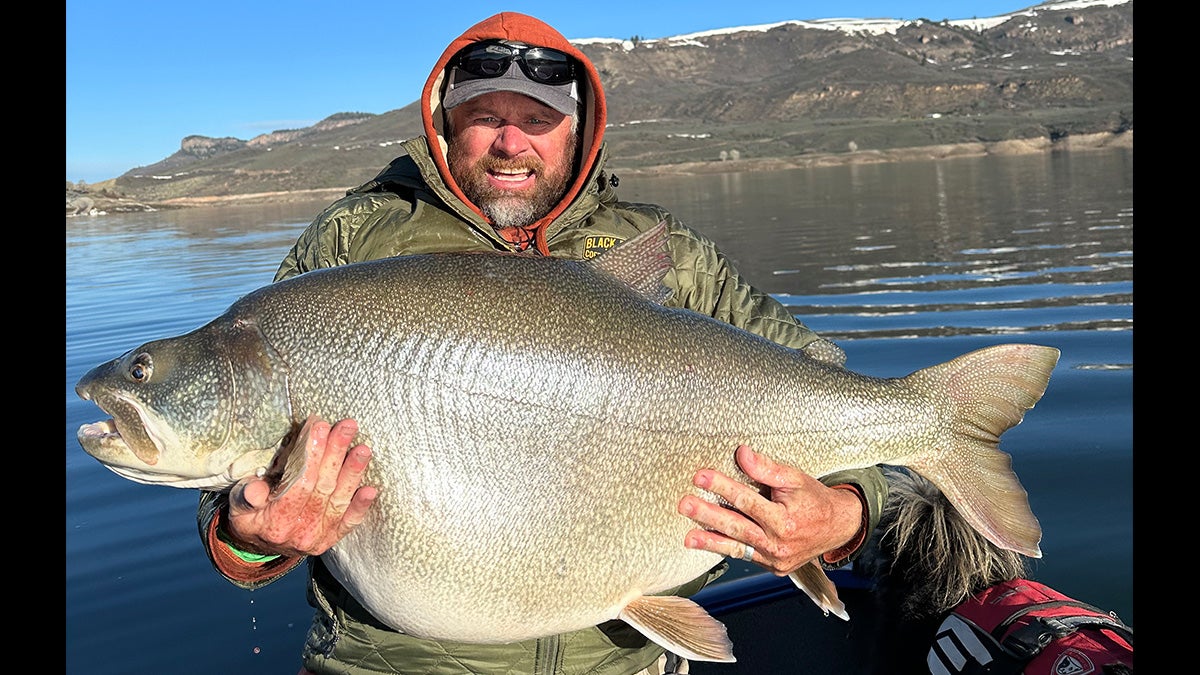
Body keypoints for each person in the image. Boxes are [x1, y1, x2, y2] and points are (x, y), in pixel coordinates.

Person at [195, 12, 888, 675]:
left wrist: (845, 511)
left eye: (537, 121)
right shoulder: (348, 245)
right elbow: (230, 485)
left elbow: (827, 392)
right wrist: (250, 535)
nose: (511, 142)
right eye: (487, 117)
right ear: (445, 126)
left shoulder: (670, 254)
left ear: (577, 131)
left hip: (628, 657)